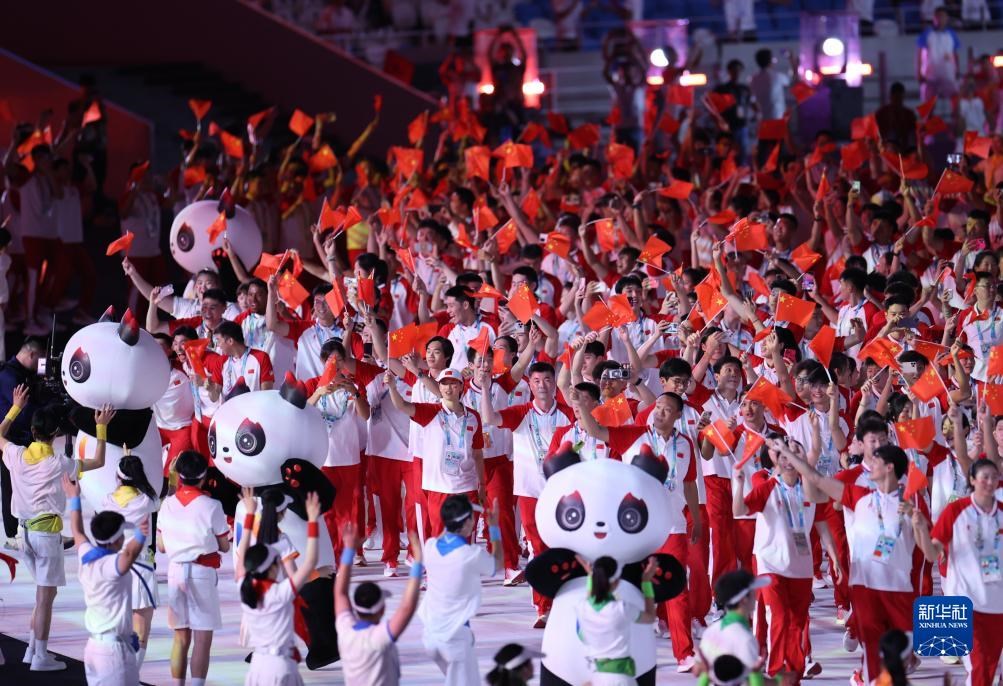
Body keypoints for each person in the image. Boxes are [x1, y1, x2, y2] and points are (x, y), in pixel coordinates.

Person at [784, 443, 927, 684]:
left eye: (875, 461)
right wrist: (789, 454)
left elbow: (928, 551)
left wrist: (918, 523)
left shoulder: (912, 502)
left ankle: (862, 677)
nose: (869, 464)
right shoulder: (858, 496)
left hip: (898, 588)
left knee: (903, 652)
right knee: (872, 648)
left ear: (889, 468)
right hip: (865, 587)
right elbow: (817, 480)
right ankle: (866, 678)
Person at [0, 390, 114, 671]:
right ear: (55, 434)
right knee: (45, 598)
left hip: (24, 535)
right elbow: (98, 461)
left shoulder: (16, 454)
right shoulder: (58, 463)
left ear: (33, 430)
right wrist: (101, 427)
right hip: (46, 537)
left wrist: (15, 408)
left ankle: (31, 650)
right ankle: (40, 656)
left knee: (45, 596)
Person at [913, 458, 1002, 685]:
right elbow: (932, 553)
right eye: (984, 477)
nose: (990, 482)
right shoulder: (956, 511)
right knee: (978, 667)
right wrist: (920, 530)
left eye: (994, 477)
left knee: (990, 668)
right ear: (972, 480)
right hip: (965, 602)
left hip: (997, 604)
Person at [63, 474, 149, 686]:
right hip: (113, 653)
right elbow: (129, 554)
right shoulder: (110, 566)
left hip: (95, 647)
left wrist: (74, 498)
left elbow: (77, 531)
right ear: (118, 539)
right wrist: (141, 533)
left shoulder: (87, 555)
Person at [157, 450, 232, 686]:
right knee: (202, 639)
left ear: (179, 474)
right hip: (202, 573)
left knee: (180, 638)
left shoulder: (166, 505)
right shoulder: (212, 505)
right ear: (203, 476)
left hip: (175, 572)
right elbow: (224, 546)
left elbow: (161, 546)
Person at [234, 486, 321, 686]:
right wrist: (313, 520)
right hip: (281, 665)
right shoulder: (279, 593)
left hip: (257, 665)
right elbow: (306, 566)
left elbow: (241, 560)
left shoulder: (243, 587)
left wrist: (249, 515)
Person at [387, 368, 487, 536]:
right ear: (439, 387)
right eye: (444, 384)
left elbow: (477, 454)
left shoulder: (473, 417)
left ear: (461, 387)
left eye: (453, 384)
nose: (448, 388)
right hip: (438, 487)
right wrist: (392, 387)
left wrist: (482, 485)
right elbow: (402, 405)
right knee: (440, 538)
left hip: (466, 487)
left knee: (466, 538)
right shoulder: (430, 412)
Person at [419, 494, 503, 685]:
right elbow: (497, 564)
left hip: (430, 636)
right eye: (472, 518)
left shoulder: (430, 547)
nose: (474, 521)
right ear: (466, 522)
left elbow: (444, 535)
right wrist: (494, 527)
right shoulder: (470, 555)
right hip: (455, 639)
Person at [334, 523, 423, 685]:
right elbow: (407, 608)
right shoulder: (378, 637)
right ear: (381, 609)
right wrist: (417, 563)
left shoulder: (345, 628)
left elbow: (340, 593)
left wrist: (348, 551)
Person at [99, 454, 161, 669]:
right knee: (141, 629)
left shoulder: (107, 501)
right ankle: (130, 675)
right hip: (141, 567)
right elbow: (162, 496)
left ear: (118, 476)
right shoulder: (147, 500)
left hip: (116, 568)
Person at [574, 555, 658, 685]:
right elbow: (650, 617)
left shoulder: (582, 608)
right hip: (621, 679)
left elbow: (590, 598)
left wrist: (591, 576)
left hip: (597, 677)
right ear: (616, 582)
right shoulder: (622, 609)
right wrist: (646, 581)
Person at [0, 337, 44, 547]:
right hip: (9, 439)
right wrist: (46, 413)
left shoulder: (22, 374)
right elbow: (24, 412)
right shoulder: (9, 375)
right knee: (10, 487)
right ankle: (12, 536)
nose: (40, 365)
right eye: (40, 359)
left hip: (20, 439)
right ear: (32, 354)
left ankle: (34, 530)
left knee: (28, 487)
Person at [695, 569, 770, 684]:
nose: (756, 595)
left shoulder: (711, 631)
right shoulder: (745, 638)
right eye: (753, 592)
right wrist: (779, 681)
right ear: (744, 599)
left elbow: (703, 674)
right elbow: (755, 680)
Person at [917, 6, 961, 102]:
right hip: (930, 75)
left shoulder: (952, 34)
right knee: (928, 103)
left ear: (947, 18)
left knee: (951, 100)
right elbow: (920, 54)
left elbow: (955, 54)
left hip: (948, 74)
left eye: (943, 16)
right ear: (934, 18)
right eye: (938, 16)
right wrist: (919, 73)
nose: (940, 19)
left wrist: (957, 70)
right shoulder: (927, 34)